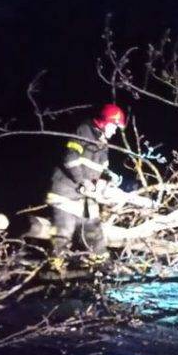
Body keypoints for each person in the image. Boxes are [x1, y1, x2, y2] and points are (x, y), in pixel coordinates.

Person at [45, 104, 126, 272]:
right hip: (65, 193)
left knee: (95, 234)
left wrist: (108, 178)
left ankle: (100, 268)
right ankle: (55, 270)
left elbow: (101, 170)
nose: (114, 131)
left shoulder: (103, 144)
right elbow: (70, 158)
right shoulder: (84, 131)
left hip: (85, 198)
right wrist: (83, 181)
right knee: (63, 232)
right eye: (113, 126)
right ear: (104, 122)